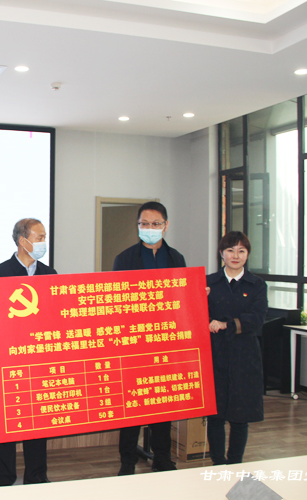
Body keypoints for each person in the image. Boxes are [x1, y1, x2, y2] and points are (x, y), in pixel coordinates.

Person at [0, 218, 56, 486]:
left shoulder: (50, 275)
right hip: (6, 363)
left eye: (44, 237)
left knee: (38, 422)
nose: (43, 242)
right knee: (6, 424)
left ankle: (37, 477)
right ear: (23, 241)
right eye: (39, 237)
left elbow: (55, 321)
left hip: (39, 361)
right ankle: (3, 479)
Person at [112, 201, 185, 475]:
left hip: (167, 343)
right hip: (134, 344)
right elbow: (116, 302)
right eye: (144, 224)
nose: (150, 228)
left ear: (166, 225)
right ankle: (127, 461)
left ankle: (162, 458)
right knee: (132, 405)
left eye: (155, 224)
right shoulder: (124, 259)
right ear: (138, 226)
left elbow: (181, 301)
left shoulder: (177, 258)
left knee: (163, 404)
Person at [206, 231, 267, 465]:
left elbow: (257, 318)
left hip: (245, 356)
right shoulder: (208, 282)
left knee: (241, 417)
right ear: (221, 253)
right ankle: (218, 463)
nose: (235, 255)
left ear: (247, 254)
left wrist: (227, 324)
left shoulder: (257, 284)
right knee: (215, 415)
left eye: (241, 251)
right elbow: (192, 313)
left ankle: (234, 463)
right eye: (230, 250)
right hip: (215, 353)